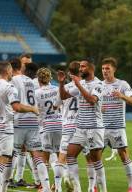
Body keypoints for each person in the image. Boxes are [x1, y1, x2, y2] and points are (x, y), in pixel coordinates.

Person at [0, 62, 39, 192]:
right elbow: (17, 107)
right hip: (4, 129)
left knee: (3, 161)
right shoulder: (9, 87)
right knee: (0, 163)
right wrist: (32, 108)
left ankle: (1, 189)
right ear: (8, 70)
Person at [57, 60, 107, 192]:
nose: (80, 69)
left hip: (94, 127)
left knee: (96, 161)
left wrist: (78, 85)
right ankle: (78, 189)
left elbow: (92, 100)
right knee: (70, 155)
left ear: (90, 69)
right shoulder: (82, 83)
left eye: (83, 67)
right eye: (79, 67)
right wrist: (61, 83)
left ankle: (102, 189)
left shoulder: (99, 84)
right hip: (80, 127)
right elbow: (63, 96)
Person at [9, 58, 51, 191]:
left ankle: (6, 182)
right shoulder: (34, 82)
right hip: (33, 121)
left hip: (20, 120)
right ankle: (45, 187)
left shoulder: (15, 80)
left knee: (12, 154)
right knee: (37, 156)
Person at [101, 57, 132, 192]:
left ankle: (131, 187)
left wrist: (122, 96)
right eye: (103, 68)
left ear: (114, 69)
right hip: (101, 128)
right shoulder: (99, 85)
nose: (105, 71)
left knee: (123, 156)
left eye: (107, 68)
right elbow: (93, 103)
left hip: (117, 127)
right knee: (95, 157)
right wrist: (99, 108)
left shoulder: (123, 84)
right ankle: (94, 186)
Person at [53, 61, 80, 192]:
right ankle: (91, 187)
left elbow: (55, 105)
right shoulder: (85, 86)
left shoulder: (65, 87)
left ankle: (57, 186)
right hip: (81, 126)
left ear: (69, 73)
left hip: (67, 125)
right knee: (87, 158)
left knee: (62, 157)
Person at [35, 68, 62, 191]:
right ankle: (57, 186)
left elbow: (35, 111)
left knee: (44, 159)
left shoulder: (37, 93)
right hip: (60, 124)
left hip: (45, 127)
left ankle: (44, 187)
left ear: (38, 79)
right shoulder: (57, 90)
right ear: (50, 78)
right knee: (59, 157)